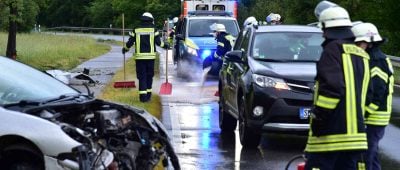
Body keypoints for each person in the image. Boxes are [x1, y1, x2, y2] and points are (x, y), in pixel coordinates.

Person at [304, 2, 371, 170]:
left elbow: (332, 90)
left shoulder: (332, 50)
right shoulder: (362, 55)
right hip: (357, 139)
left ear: (326, 28)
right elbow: (368, 96)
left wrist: (319, 119)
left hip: (331, 139)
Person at [352, 22, 394, 170]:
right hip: (374, 117)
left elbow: (377, 93)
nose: (356, 46)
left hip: (374, 117)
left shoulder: (376, 61)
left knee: (366, 154)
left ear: (368, 43)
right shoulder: (372, 58)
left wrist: (364, 114)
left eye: (358, 42)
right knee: (373, 154)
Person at [122, 12, 169, 102]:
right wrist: (165, 45)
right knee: (149, 76)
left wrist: (125, 49)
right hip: (150, 58)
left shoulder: (136, 29)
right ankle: (148, 96)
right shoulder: (153, 29)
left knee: (142, 76)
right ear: (151, 20)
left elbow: (130, 42)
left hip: (140, 58)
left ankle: (143, 97)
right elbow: (158, 43)